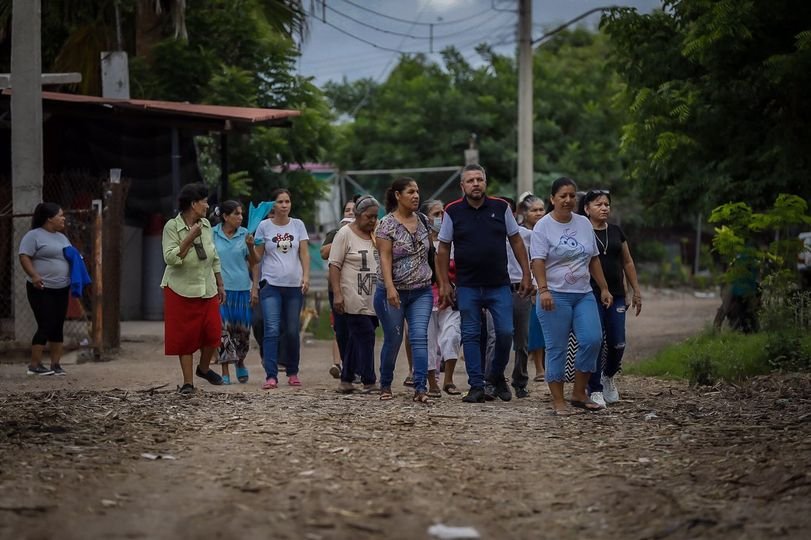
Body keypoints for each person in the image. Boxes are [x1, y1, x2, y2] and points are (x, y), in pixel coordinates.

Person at [436, 164, 532, 403]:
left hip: (498, 283)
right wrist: (445, 283)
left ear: (485, 183)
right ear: (462, 186)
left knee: (505, 332)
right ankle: (476, 385)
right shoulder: (453, 211)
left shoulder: (500, 207)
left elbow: (517, 241)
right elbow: (443, 248)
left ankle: (496, 376)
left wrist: (527, 274)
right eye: (470, 181)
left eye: (480, 179)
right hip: (467, 284)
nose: (476, 184)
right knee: (470, 334)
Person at [530, 177, 612, 415]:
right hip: (554, 295)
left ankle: (578, 391)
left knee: (592, 340)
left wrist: (604, 288)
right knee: (557, 348)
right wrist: (543, 290)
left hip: (583, 293)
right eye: (563, 196)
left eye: (572, 196)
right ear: (552, 199)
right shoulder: (543, 226)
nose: (568, 200)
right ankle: (558, 401)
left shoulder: (584, 223)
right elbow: (538, 261)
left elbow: (593, 258)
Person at [578, 189, 642, 406]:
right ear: (587, 209)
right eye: (599, 204)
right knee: (595, 340)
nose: (604, 208)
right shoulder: (581, 232)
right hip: (589, 294)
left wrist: (636, 291)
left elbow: (628, 262)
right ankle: (594, 388)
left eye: (607, 204)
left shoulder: (616, 231)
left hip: (617, 295)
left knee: (617, 341)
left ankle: (608, 376)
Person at [160, 183, 225, 394]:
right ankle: (188, 383)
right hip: (180, 289)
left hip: (207, 287)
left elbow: (214, 257)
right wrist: (189, 236)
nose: (207, 205)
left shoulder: (206, 224)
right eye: (204, 201)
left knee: (214, 332)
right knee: (185, 336)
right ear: (193, 204)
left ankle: (203, 369)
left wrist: (220, 283)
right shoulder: (172, 226)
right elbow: (170, 258)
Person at [374, 177, 434, 403]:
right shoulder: (386, 224)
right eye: (410, 192)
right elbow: (385, 258)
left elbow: (432, 251)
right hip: (393, 291)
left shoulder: (424, 221)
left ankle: (421, 388)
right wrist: (390, 288)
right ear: (398, 196)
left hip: (421, 290)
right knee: (394, 338)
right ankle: (386, 384)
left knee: (419, 337)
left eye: (417, 191)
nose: (416, 196)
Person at [254, 188, 310, 389]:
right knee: (272, 329)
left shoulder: (298, 225)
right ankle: (271, 375)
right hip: (271, 285)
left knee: (293, 330)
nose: (284, 205)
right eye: (280, 202)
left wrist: (306, 276)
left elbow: (304, 252)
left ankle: (293, 371)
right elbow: (257, 258)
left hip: (294, 286)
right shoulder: (264, 226)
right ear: (273, 205)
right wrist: (250, 246)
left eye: (287, 201)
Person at [329, 195, 381, 394]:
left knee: (355, 338)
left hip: (373, 295)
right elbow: (334, 264)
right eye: (369, 217)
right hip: (352, 294)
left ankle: (346, 379)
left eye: (375, 217)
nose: (373, 221)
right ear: (358, 215)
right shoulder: (344, 234)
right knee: (366, 334)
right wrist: (337, 294)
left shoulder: (377, 235)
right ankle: (369, 379)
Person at [18, 203, 73, 376]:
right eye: (60, 215)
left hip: (62, 288)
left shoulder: (62, 238)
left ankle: (55, 365)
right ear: (49, 218)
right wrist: (34, 275)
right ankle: (34, 365)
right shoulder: (33, 236)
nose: (63, 218)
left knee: (57, 325)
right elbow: (24, 256)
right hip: (41, 288)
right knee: (46, 323)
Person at [211, 200, 258, 384]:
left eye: (241, 214)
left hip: (242, 288)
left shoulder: (245, 234)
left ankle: (240, 362)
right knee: (223, 332)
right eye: (236, 214)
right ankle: (225, 371)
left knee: (243, 332)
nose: (240, 217)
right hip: (220, 290)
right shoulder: (212, 234)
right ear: (225, 216)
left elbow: (255, 262)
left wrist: (250, 246)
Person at [422, 199, 459, 398]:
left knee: (452, 336)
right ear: (426, 218)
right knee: (428, 341)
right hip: (427, 297)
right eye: (436, 214)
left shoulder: (454, 242)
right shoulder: (421, 242)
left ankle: (449, 379)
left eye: (443, 213)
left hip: (451, 298)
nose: (441, 218)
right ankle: (431, 382)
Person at [320, 197, 358, 379]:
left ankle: (358, 367)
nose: (350, 212)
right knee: (341, 330)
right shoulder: (335, 232)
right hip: (337, 287)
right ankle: (346, 367)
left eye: (354, 209)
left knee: (359, 329)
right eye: (347, 210)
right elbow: (323, 253)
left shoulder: (368, 233)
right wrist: (343, 235)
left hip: (359, 287)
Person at [503, 196, 535, 399]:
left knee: (522, 339)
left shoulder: (527, 235)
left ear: (513, 214)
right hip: (497, 289)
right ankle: (494, 378)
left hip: (520, 288)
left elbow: (537, 259)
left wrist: (534, 283)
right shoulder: (490, 235)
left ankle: (520, 380)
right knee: (497, 336)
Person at [518, 194, 547, 382]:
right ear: (524, 213)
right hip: (526, 282)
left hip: (547, 281)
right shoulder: (519, 234)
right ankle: (537, 367)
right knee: (532, 326)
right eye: (534, 210)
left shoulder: (548, 230)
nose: (538, 213)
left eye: (541, 209)